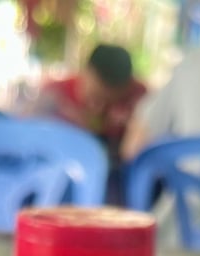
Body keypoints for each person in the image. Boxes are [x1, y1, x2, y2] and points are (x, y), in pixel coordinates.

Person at [27, 43, 147, 202]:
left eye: (111, 100)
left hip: (118, 186)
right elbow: (24, 134)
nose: (100, 106)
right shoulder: (55, 94)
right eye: (98, 95)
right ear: (87, 73)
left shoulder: (140, 98)